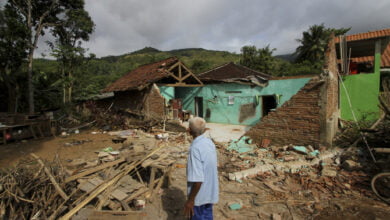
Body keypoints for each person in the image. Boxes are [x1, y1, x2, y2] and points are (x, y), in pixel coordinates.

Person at [183, 117, 219, 220]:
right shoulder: (209, 143)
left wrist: (190, 201)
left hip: (199, 197)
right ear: (204, 129)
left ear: (189, 130)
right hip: (210, 193)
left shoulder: (195, 149)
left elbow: (198, 179)